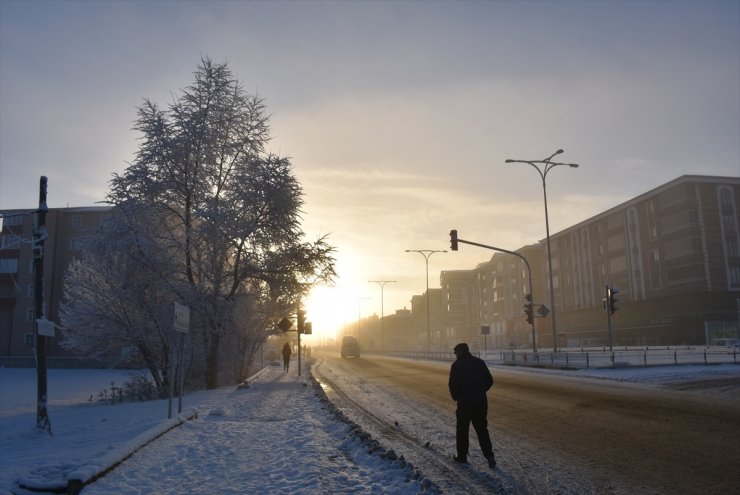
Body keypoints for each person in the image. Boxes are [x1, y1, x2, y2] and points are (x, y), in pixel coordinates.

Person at [448, 342, 496, 468]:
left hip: (464, 404)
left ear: (459, 352)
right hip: (480, 402)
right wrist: (480, 391)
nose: (455, 355)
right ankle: (489, 456)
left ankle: (462, 456)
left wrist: (457, 397)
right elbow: (489, 380)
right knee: (482, 430)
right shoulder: (479, 362)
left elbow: (453, 385)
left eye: (456, 353)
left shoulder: (457, 365)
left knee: (462, 430)